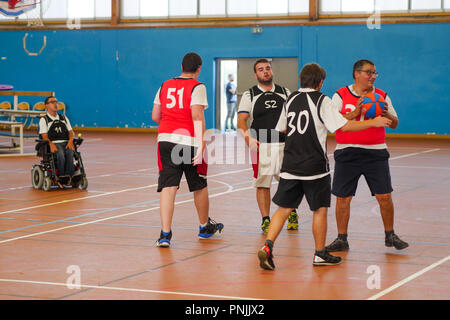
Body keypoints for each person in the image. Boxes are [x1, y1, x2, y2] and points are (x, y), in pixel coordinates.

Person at [257, 63, 392, 270]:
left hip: (290, 163)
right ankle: (319, 254)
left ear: (301, 80)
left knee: (284, 208)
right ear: (320, 82)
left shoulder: (290, 99)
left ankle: (267, 246)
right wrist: (373, 123)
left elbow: (281, 128)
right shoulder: (322, 100)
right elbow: (344, 126)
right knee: (319, 209)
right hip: (314, 166)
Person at [325, 59, 409, 252]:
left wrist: (387, 115)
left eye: (374, 73)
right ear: (356, 73)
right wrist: (352, 114)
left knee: (384, 196)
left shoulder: (381, 96)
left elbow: (395, 123)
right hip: (347, 151)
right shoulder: (340, 95)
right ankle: (341, 239)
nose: (372, 76)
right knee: (343, 198)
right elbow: (332, 122)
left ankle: (390, 235)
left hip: (376, 152)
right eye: (368, 72)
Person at [152, 52, 224, 247]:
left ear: (181, 66)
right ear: (199, 69)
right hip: (189, 141)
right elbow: (197, 116)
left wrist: (169, 125)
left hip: (165, 140)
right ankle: (203, 227)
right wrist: (201, 143)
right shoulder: (197, 86)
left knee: (168, 187)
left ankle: (165, 234)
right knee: (199, 184)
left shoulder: (164, 85)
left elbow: (155, 116)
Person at [237, 58, 298, 234]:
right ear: (256, 74)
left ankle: (292, 213)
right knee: (262, 184)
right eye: (261, 69)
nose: (265, 71)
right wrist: (247, 137)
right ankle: (265, 219)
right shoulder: (250, 94)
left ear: (272, 71)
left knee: (288, 181)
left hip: (283, 143)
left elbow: (293, 117)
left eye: (268, 68)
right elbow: (241, 120)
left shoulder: (285, 92)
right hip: (260, 143)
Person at [39, 96, 75, 188]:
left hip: (66, 142)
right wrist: (51, 144)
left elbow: (71, 132)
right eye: (52, 102)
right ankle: (61, 177)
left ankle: (69, 176)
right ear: (46, 106)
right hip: (54, 143)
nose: (55, 104)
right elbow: (44, 136)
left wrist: (70, 141)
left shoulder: (63, 117)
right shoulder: (44, 119)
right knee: (60, 154)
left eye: (56, 101)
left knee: (70, 152)